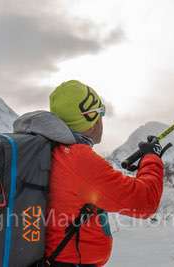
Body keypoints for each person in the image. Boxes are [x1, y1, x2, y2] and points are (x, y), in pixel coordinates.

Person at [45, 80, 165, 267]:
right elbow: (145, 202)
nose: (102, 120)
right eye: (101, 113)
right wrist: (152, 158)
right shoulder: (78, 159)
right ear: (90, 119)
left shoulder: (49, 149)